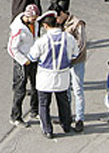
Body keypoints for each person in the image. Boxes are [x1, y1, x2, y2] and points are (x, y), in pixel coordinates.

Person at [28, 11, 78, 139]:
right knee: (64, 102)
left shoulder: (42, 41)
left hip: (45, 77)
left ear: (45, 26)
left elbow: (32, 57)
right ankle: (66, 125)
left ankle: (47, 130)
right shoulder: (68, 38)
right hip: (62, 76)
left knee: (44, 104)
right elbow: (75, 54)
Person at [8, 4, 40, 127]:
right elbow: (12, 49)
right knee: (20, 90)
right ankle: (15, 116)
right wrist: (23, 60)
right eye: (33, 18)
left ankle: (34, 110)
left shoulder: (34, 23)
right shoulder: (18, 29)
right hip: (22, 61)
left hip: (33, 58)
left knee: (36, 85)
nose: (35, 20)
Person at [56, 7, 87, 133]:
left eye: (58, 17)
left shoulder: (77, 23)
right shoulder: (60, 25)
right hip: (64, 63)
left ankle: (80, 119)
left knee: (77, 90)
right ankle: (66, 116)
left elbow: (81, 44)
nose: (57, 21)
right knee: (65, 89)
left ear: (63, 13)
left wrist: (71, 58)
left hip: (76, 62)